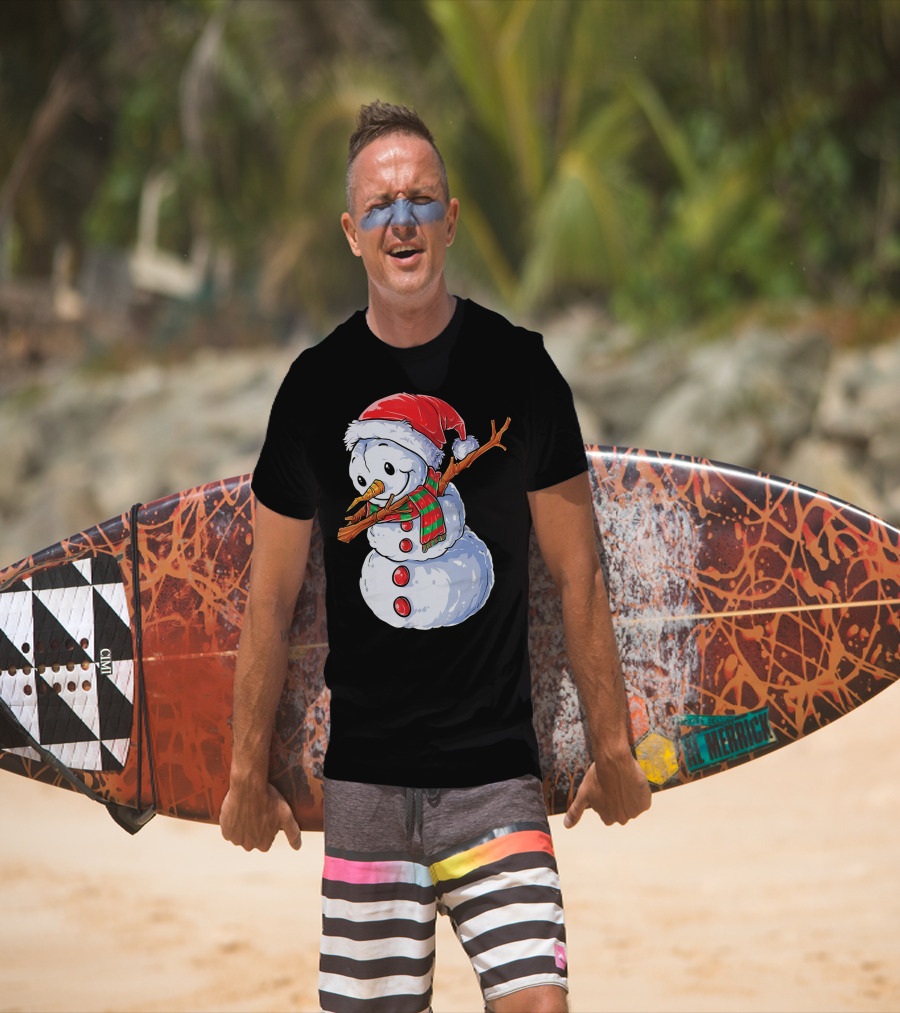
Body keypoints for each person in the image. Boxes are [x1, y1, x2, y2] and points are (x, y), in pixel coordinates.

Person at [220, 100, 651, 1013]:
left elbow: (579, 574)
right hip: (367, 787)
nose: (402, 220)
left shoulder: (522, 372)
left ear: (451, 219)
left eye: (421, 200)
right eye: (380, 206)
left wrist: (612, 746)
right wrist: (242, 772)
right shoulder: (312, 390)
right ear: (351, 232)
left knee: (540, 1003)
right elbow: (269, 600)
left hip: (496, 780)